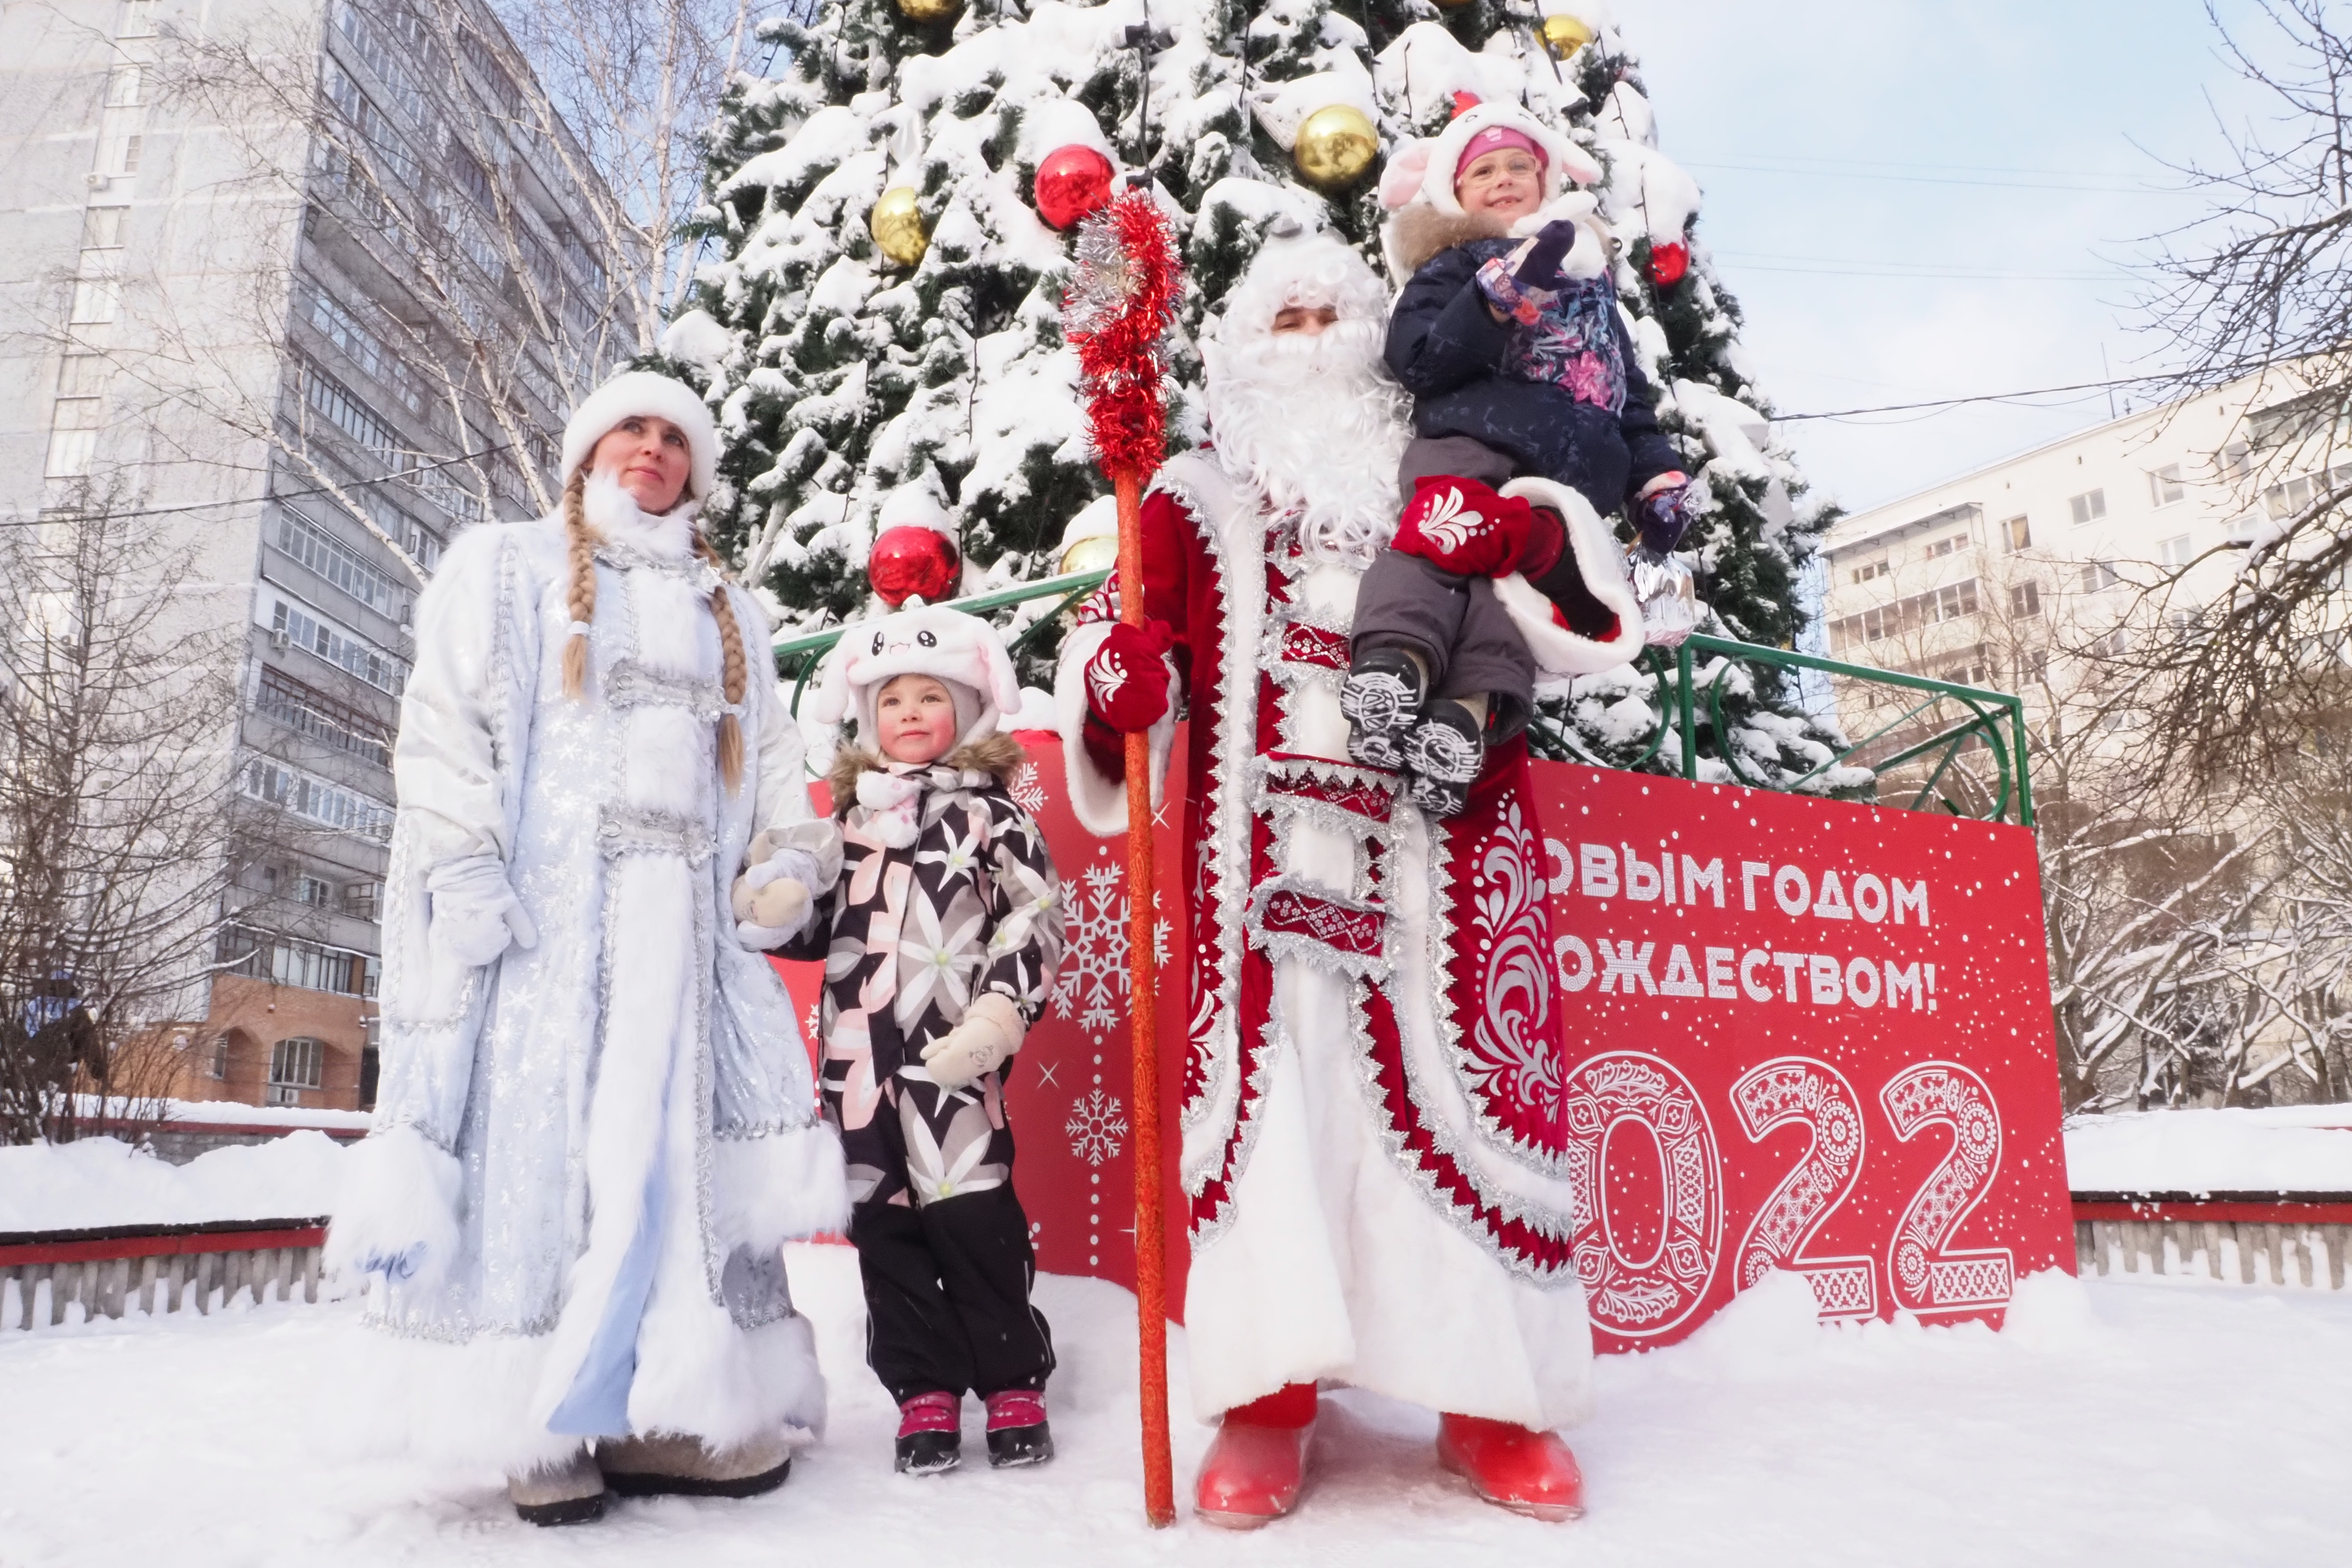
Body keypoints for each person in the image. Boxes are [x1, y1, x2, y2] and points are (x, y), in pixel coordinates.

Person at [1056, 231, 1642, 1528]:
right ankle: (1268, 1402)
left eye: (1335, 314)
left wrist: (1529, 539)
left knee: (1475, 1121)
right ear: (1242, 355)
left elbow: (1585, 612)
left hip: (1445, 851)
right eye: (1286, 320)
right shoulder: (1189, 502)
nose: (1313, 338)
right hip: (1261, 876)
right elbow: (1117, 657)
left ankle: (1493, 1405)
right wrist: (1117, 687)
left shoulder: (1449, 468)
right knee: (1277, 1125)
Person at [323, 372, 848, 1526]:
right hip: (547, 935)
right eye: (634, 428)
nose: (653, 449)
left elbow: (773, 757)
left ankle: (669, 1408)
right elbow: (443, 721)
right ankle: (543, 1419)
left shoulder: (731, 609)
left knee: (675, 1167)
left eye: (675, 437)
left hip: (690, 940)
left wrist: (786, 862)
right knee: (544, 1152)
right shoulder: (503, 565)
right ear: (586, 450)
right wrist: (462, 862)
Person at [1343, 98, 1699, 815]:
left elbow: (1626, 399)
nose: (1504, 180)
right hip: (1473, 444)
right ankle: (1397, 661)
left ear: (1546, 179)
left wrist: (1653, 478)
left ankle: (1466, 714)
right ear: (1454, 190)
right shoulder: (1454, 264)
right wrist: (1498, 296)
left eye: (1518, 166)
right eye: (1484, 171)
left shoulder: (1593, 289)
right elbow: (1418, 359)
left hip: (1562, 482)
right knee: (1442, 545)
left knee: (1516, 598)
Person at [791, 602, 1067, 1477]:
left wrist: (999, 1014)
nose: (909, 714)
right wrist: (778, 903)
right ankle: (923, 1391)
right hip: (857, 1064)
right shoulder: (846, 828)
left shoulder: (993, 819)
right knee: (883, 1227)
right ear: (869, 720)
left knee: (974, 1215)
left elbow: (1036, 915)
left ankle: (1013, 1379)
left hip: (952, 1061)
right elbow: (809, 931)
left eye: (929, 697)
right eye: (892, 701)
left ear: (967, 710)